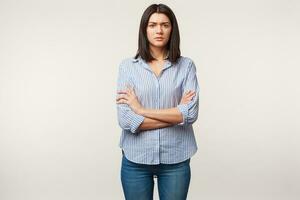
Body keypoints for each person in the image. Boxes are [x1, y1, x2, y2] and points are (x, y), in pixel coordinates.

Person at [115, 3, 200, 200]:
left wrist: (141, 110)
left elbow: (191, 114)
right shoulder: (128, 67)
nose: (159, 30)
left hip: (176, 159)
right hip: (136, 159)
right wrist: (176, 115)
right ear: (144, 29)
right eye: (152, 25)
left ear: (173, 29)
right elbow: (126, 120)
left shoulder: (186, 66)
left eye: (165, 25)